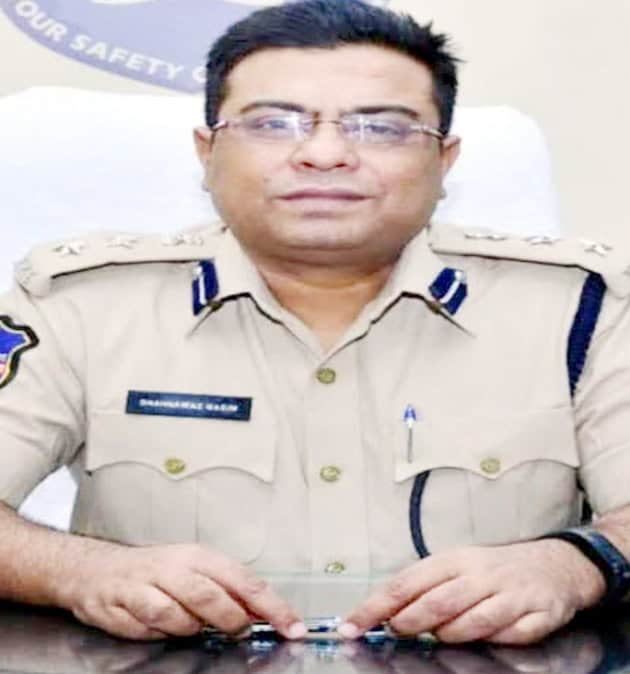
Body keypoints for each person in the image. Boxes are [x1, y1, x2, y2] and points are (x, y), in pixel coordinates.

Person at [1, 0, 630, 646]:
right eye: (273, 123)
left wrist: (575, 564)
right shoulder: (81, 304)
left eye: (381, 127)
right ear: (207, 153)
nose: (325, 153)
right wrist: (79, 570)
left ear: (445, 162)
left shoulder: (579, 308)